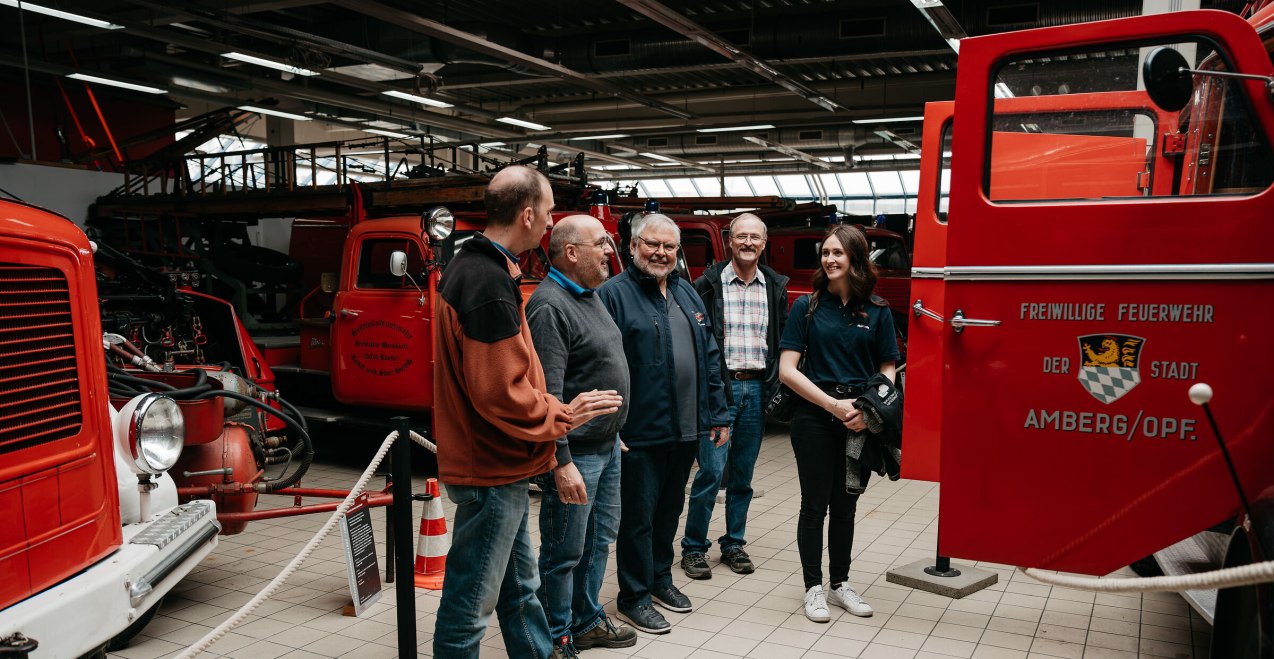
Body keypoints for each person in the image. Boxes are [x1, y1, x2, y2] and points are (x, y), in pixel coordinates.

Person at [432, 166, 623, 659]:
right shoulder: (485, 281)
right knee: (471, 603)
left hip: (505, 466)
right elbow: (500, 392)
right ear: (527, 213)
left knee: (521, 590)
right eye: (549, 210)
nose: (551, 221)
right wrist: (565, 415)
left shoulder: (484, 268)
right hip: (491, 470)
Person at [598, 213, 731, 635]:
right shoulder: (612, 296)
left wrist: (718, 412)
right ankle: (633, 597)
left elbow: (710, 355)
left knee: (669, 511)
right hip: (638, 432)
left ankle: (659, 579)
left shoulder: (686, 292)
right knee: (638, 518)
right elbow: (601, 367)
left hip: (685, 429)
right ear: (633, 246)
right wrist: (611, 425)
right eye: (652, 244)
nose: (661, 253)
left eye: (669, 247)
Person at [526, 215, 638, 655]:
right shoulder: (549, 306)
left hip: (606, 447)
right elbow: (548, 395)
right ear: (571, 252)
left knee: (598, 541)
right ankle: (556, 636)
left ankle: (586, 619)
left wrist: (612, 429)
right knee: (564, 552)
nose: (610, 250)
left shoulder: (589, 296)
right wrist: (562, 460)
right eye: (601, 243)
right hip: (576, 455)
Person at [777, 223, 898, 623]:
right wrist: (831, 405)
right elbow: (787, 371)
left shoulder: (878, 311)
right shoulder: (807, 307)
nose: (829, 259)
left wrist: (870, 411)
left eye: (837, 253)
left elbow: (888, 368)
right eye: (825, 252)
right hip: (814, 416)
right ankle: (813, 587)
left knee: (846, 506)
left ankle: (840, 583)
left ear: (856, 258)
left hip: (857, 419)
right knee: (814, 505)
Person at [681, 213, 789, 579]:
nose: (747, 243)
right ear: (730, 241)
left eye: (754, 237)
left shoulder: (773, 286)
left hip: (756, 389)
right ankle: (694, 548)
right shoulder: (707, 285)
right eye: (741, 236)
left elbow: (779, 340)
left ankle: (733, 544)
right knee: (711, 472)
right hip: (719, 389)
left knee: (743, 475)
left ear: (764, 243)